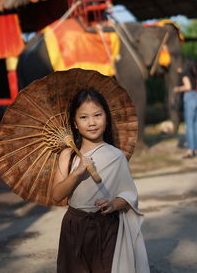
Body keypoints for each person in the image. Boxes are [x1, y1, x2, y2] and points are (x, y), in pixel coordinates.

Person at [52, 88, 150, 273]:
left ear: (106, 117)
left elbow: (129, 195)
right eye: (84, 117)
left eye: (97, 115)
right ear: (75, 122)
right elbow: (57, 195)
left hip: (105, 228)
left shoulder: (116, 156)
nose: (92, 122)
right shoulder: (68, 155)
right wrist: (76, 173)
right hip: (74, 226)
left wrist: (113, 204)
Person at [174, 59, 197, 158]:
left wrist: (177, 89)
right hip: (196, 96)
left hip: (189, 98)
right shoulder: (194, 75)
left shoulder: (185, 75)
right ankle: (195, 149)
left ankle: (190, 150)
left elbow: (188, 87)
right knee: (196, 125)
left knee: (189, 125)